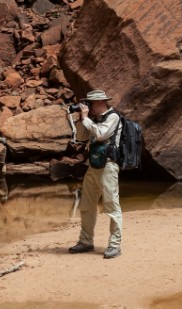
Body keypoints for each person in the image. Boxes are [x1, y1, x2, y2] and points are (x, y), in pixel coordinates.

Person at [68, 89, 123, 259]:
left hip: (108, 166)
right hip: (93, 165)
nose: (87, 106)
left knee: (111, 206)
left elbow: (100, 135)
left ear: (99, 102)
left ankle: (114, 245)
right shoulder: (93, 118)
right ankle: (85, 241)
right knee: (86, 205)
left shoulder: (113, 117)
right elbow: (82, 137)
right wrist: (81, 119)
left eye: (89, 103)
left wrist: (86, 119)